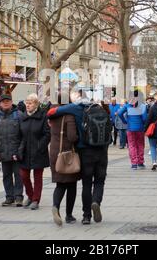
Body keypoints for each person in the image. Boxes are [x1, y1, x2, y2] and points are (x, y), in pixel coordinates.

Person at [47, 89, 110, 225]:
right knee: (100, 181)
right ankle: (96, 202)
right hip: (102, 151)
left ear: (78, 97)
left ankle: (86, 216)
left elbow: (52, 112)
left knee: (86, 184)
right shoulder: (99, 107)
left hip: (85, 151)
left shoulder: (75, 107)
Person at [48, 93, 80, 226]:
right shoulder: (69, 115)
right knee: (71, 185)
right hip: (67, 154)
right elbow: (72, 137)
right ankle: (69, 215)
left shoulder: (52, 115)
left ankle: (56, 206)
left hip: (55, 152)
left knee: (60, 184)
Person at [0, 94, 24, 207]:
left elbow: (24, 135)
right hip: (3, 152)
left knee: (18, 175)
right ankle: (9, 197)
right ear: (0, 103)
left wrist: (20, 150)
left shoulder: (19, 115)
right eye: (3, 101)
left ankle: (19, 197)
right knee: (6, 176)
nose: (5, 103)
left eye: (7, 101)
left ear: (11, 102)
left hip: (16, 152)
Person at [17, 94, 51, 210]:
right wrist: (19, 149)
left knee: (37, 177)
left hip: (38, 151)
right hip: (25, 150)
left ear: (36, 104)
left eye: (30, 103)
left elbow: (47, 134)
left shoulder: (42, 116)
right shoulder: (23, 117)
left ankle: (36, 200)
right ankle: (30, 196)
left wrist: (40, 146)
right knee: (24, 175)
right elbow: (19, 134)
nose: (27, 105)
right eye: (27, 103)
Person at [118, 92, 148, 170]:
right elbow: (145, 118)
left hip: (130, 129)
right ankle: (140, 163)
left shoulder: (127, 106)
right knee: (140, 145)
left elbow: (120, 113)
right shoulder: (143, 106)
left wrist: (125, 121)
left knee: (132, 145)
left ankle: (134, 163)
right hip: (140, 129)